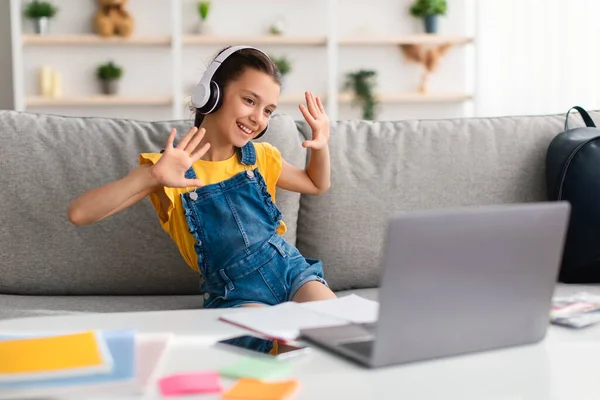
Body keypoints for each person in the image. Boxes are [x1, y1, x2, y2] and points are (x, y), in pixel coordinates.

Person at [68, 45, 337, 309]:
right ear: (212, 94)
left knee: (330, 326)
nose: (258, 118)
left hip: (291, 271)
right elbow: (79, 214)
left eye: (267, 110)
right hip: (237, 294)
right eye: (249, 101)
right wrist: (151, 176)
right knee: (262, 343)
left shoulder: (262, 157)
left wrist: (321, 143)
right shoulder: (165, 171)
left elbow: (316, 184)